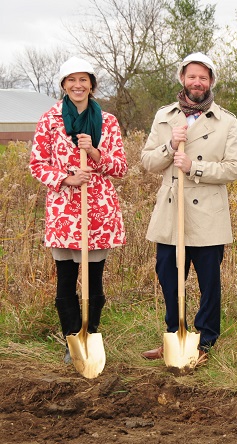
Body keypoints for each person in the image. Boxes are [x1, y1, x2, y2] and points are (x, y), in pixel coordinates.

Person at [140, 52, 237, 364]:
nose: (197, 82)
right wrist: (170, 146)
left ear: (211, 81)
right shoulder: (164, 116)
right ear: (183, 79)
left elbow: (233, 168)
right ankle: (175, 334)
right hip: (172, 213)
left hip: (208, 214)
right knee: (169, 276)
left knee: (209, 281)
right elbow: (147, 162)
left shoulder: (226, 121)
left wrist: (193, 167)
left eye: (203, 77)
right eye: (191, 76)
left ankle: (205, 340)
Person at [29, 57, 128, 364]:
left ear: (92, 84)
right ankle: (72, 340)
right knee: (65, 280)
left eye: (83, 79)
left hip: (98, 211)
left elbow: (120, 167)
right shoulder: (50, 120)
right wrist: (67, 178)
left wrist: (94, 152)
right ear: (63, 85)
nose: (77, 85)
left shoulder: (108, 121)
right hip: (63, 212)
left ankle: (90, 334)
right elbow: (36, 164)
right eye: (71, 80)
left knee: (95, 280)